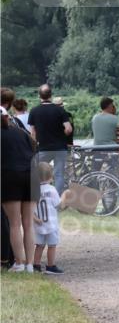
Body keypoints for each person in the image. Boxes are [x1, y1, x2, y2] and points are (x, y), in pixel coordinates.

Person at [1, 105, 38, 272]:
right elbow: (34, 147)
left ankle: (19, 262)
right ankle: (30, 264)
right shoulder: (20, 132)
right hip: (32, 173)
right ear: (7, 117)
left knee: (14, 223)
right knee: (28, 224)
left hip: (10, 176)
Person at [27, 84, 73, 194]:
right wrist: (61, 135)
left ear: (39, 96)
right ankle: (57, 197)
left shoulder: (34, 111)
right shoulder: (60, 110)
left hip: (43, 147)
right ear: (51, 95)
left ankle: (41, 195)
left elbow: (33, 133)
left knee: (38, 172)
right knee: (59, 174)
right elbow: (68, 129)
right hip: (60, 147)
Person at [31, 161, 65, 274]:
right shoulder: (52, 189)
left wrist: (35, 219)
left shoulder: (34, 190)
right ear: (51, 177)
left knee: (39, 245)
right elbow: (59, 205)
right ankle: (50, 266)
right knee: (52, 245)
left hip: (38, 223)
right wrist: (65, 196)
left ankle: (36, 265)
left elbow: (30, 209)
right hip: (51, 224)